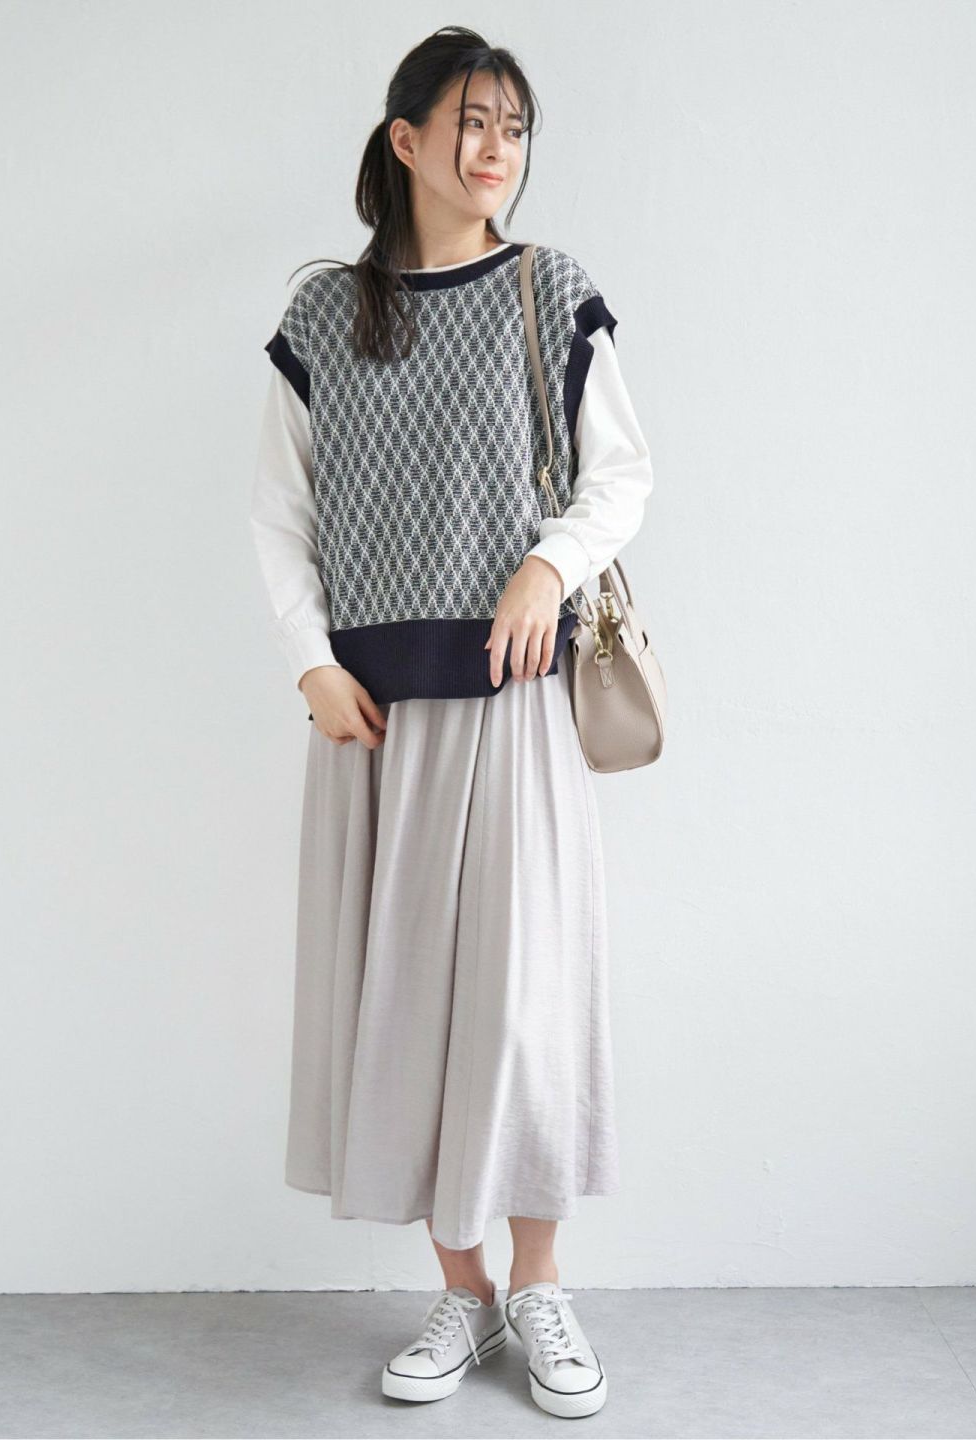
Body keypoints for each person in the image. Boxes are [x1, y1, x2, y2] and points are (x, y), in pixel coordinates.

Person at [249, 25, 653, 1420]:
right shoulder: (323, 318)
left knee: (523, 1007)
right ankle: (465, 1295)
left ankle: (539, 1288)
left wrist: (548, 565)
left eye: (516, 127)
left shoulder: (551, 289)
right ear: (407, 138)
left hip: (515, 708)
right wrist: (309, 662)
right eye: (473, 122)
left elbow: (621, 475)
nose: (498, 150)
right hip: (374, 722)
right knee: (411, 1012)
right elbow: (279, 514)